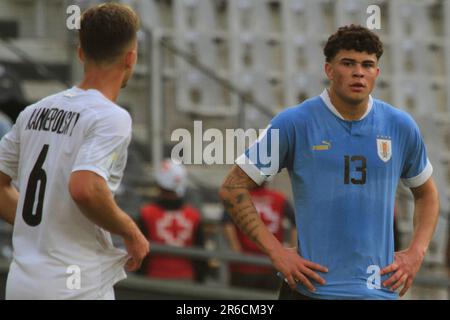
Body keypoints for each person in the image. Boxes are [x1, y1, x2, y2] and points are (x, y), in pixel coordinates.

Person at [218, 25, 439, 300]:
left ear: (377, 73)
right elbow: (232, 188)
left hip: (379, 292)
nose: (359, 72)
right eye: (348, 63)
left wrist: (416, 253)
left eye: (367, 65)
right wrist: (276, 252)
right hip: (310, 290)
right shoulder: (294, 122)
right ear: (329, 70)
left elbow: (427, 194)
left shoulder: (400, 126)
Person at [0, 3, 149, 299]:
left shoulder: (34, 111)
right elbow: (85, 187)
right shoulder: (112, 117)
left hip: (22, 282)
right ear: (131, 58)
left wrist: (43, 226)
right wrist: (130, 230)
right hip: (74, 284)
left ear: (80, 52)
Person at [138, 159, 205, 282]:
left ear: (159, 185)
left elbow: (139, 252)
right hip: (186, 281)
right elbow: (201, 257)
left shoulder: (147, 213)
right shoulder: (193, 216)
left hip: (152, 281)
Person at [223, 181, 296, 291]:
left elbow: (226, 222)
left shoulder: (238, 198)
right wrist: (291, 248)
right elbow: (295, 222)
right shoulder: (279, 198)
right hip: (271, 264)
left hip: (247, 265)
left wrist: (235, 248)